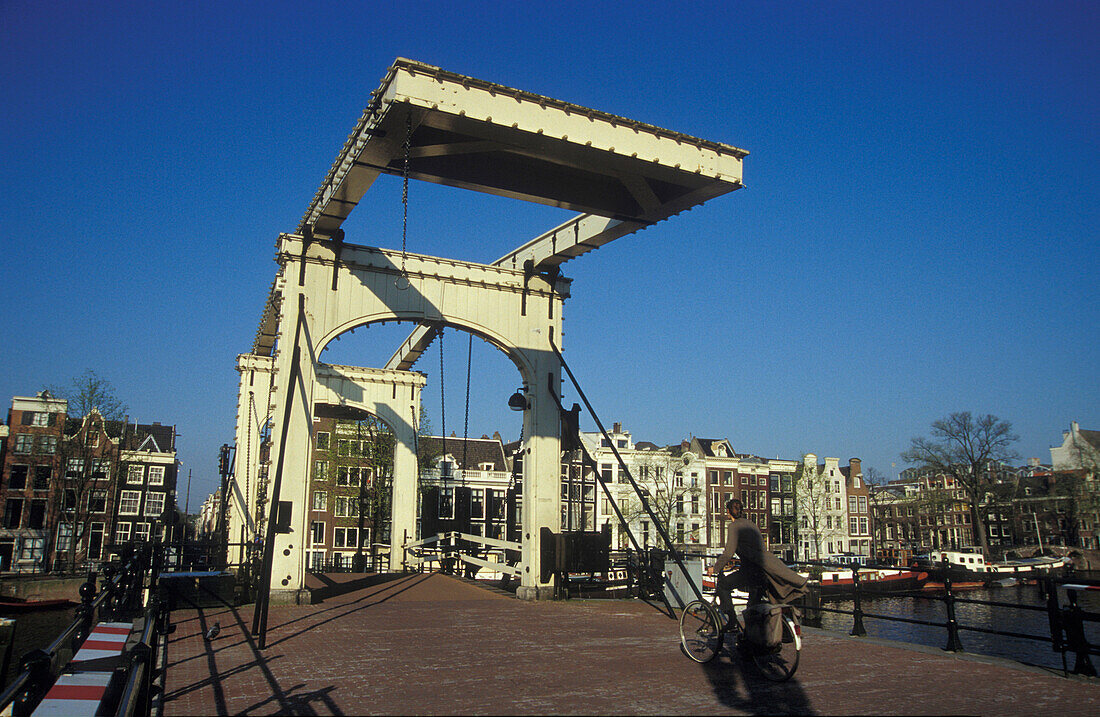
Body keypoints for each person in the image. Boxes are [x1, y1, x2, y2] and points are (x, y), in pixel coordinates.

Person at [709, 497, 807, 619]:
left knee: (723, 585)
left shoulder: (734, 526)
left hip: (749, 572)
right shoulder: (751, 524)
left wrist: (715, 568)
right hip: (762, 571)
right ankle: (752, 633)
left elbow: (728, 553)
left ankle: (732, 622)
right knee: (752, 607)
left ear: (728, 512)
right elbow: (761, 548)